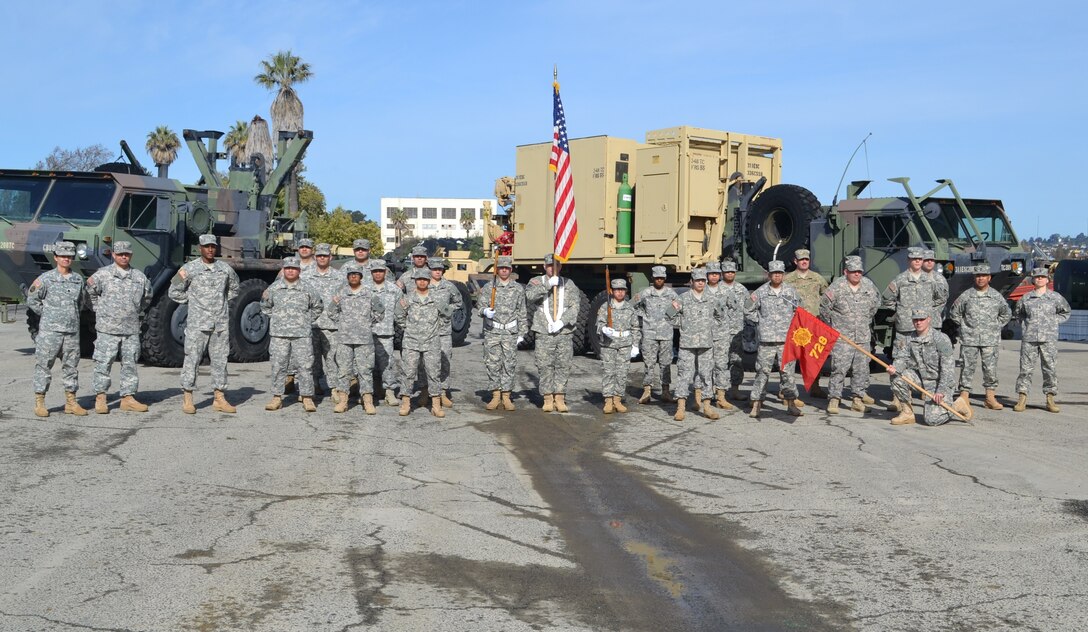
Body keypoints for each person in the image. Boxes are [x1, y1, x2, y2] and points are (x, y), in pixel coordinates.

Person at [169, 234, 240, 414]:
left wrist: (220, 303)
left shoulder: (225, 269)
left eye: (213, 246)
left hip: (219, 325)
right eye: (206, 246)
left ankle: (219, 397)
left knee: (220, 361)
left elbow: (234, 289)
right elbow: (174, 290)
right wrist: (192, 301)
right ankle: (188, 397)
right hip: (197, 324)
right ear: (200, 248)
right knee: (192, 360)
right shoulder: (189, 268)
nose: (210, 249)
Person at [86, 241, 152, 414]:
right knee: (103, 363)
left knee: (130, 364)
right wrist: (98, 309)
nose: (124, 256)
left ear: (131, 255)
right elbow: (89, 293)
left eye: (127, 254)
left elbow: (147, 298)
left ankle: (128, 398)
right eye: (120, 254)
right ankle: (101, 398)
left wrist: (134, 311)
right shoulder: (102, 275)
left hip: (130, 329)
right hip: (108, 328)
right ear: (113, 255)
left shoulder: (139, 277)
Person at [27, 241, 88, 417]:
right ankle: (40, 401)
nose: (66, 259)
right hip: (50, 332)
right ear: (56, 258)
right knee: (44, 366)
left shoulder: (78, 279)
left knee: (71, 367)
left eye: (69, 257)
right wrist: (47, 314)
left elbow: (81, 303)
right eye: (63, 256)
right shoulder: (45, 279)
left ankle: (71, 402)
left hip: (71, 332)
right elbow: (32, 300)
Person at [881, 246, 942, 412]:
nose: (917, 261)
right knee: (900, 361)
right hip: (905, 328)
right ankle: (898, 397)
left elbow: (940, 298)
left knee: (925, 360)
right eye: (914, 259)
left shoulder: (931, 281)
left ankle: (927, 393)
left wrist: (929, 313)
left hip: (924, 330)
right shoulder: (900, 280)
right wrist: (901, 312)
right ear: (908, 260)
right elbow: (886, 299)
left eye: (920, 259)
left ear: (922, 261)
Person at [819, 256, 880, 415]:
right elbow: (825, 308)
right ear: (846, 272)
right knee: (839, 368)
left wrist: (864, 320)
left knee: (861, 369)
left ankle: (857, 399)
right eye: (853, 272)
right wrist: (833, 327)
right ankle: (834, 399)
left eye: (859, 271)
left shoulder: (868, 285)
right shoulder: (837, 287)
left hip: (862, 336)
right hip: (842, 338)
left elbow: (875, 304)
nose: (857, 274)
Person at [261, 257, 323, 412]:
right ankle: (277, 397)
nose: (290, 271)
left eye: (293, 268)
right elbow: (265, 306)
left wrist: (305, 320)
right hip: (279, 335)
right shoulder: (274, 288)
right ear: (283, 270)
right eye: (287, 268)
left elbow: (318, 306)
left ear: (299, 271)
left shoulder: (308, 288)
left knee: (305, 366)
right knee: (278, 366)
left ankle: (307, 397)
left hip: (301, 334)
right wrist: (278, 319)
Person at [950, 266, 1012, 413]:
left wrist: (996, 326)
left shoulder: (996, 296)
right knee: (967, 368)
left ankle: (990, 398)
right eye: (978, 276)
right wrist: (965, 326)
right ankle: (964, 396)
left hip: (990, 340)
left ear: (989, 278)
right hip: (969, 339)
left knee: (990, 369)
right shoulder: (966, 295)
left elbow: (1006, 314)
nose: (980, 278)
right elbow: (954, 312)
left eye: (984, 276)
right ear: (974, 278)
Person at [745, 260, 803, 419]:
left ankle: (791, 404)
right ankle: (757, 404)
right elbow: (747, 309)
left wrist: (792, 325)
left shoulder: (791, 292)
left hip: (786, 341)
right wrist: (760, 322)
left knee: (788, 373)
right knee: (762, 372)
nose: (777, 275)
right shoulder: (760, 293)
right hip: (767, 341)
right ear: (769, 275)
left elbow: (799, 311)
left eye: (780, 273)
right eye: (774, 273)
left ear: (783, 275)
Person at [525, 254, 581, 413]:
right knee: (544, 365)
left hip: (564, 332)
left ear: (560, 267)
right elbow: (530, 296)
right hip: (544, 332)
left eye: (556, 265)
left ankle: (560, 397)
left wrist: (562, 322)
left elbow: (575, 306)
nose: (552, 268)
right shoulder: (536, 282)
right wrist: (548, 285)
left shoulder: (568, 284)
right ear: (544, 266)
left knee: (563, 365)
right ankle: (548, 397)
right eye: (549, 265)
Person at [1013, 267, 1071, 413]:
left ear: (1047, 280)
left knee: (1049, 369)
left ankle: (1050, 398)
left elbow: (1066, 312)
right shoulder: (1026, 298)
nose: (1039, 279)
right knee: (1025, 369)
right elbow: (1018, 314)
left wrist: (1053, 322)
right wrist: (1027, 326)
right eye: (1037, 277)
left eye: (1042, 277)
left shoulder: (1055, 297)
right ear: (1033, 280)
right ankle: (1022, 398)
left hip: (1048, 339)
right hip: (1030, 339)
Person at [327, 269, 385, 414]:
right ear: (347, 277)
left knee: (365, 371)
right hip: (345, 339)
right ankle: (343, 401)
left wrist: (366, 324)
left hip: (364, 339)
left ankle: (368, 401)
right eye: (351, 274)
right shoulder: (341, 294)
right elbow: (331, 312)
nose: (353, 276)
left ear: (360, 277)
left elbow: (380, 312)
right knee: (344, 371)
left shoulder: (369, 294)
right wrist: (343, 324)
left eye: (356, 274)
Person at [665, 268, 720, 421]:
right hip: (687, 344)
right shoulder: (683, 298)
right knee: (684, 374)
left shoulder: (712, 298)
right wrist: (681, 324)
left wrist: (710, 328)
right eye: (697, 280)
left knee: (706, 375)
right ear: (691, 282)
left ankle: (707, 407)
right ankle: (681, 408)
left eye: (703, 280)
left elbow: (720, 316)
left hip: (706, 344)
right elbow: (668, 315)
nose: (700, 283)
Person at [887, 309, 958, 426]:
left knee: (932, 420)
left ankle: (956, 405)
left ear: (929, 319)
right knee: (897, 377)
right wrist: (895, 368)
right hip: (923, 380)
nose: (918, 322)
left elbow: (948, 368)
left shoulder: (941, 339)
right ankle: (907, 413)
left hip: (940, 383)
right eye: (915, 320)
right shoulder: (909, 338)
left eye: (922, 319)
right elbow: (902, 358)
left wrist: (941, 391)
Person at [395, 268, 450, 418]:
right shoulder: (407, 298)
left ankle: (436, 405)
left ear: (429, 281)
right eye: (419, 279)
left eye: (425, 279)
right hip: (411, 342)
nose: (422, 281)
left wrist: (435, 329)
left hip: (431, 342)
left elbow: (446, 315)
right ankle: (406, 403)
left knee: (433, 373)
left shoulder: (437, 298)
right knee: (408, 372)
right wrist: (410, 329)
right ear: (415, 281)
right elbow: (399, 315)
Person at [476, 255, 527, 411]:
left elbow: (522, 311)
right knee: (492, 364)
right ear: (497, 270)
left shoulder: (518, 288)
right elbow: (479, 308)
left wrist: (522, 333)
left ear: (510, 270)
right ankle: (495, 395)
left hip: (510, 332)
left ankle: (506, 396)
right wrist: (485, 311)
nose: (504, 270)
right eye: (501, 268)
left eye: (506, 268)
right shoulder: (489, 288)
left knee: (509, 365)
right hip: (493, 331)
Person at [784, 248, 830, 399]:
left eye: (807, 259)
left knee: (814, 356)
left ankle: (815, 386)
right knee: (789, 358)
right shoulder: (787, 280)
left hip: (813, 324)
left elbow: (826, 296)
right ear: (795, 261)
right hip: (795, 325)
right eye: (801, 259)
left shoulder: (818, 278)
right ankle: (785, 389)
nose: (804, 262)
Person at [301, 243, 343, 398]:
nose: (322, 258)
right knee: (311, 358)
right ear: (315, 257)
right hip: (311, 324)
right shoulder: (305, 276)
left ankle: (334, 388)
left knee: (333, 358)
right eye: (319, 256)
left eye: (325, 256)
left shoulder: (339, 277)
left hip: (332, 325)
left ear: (330, 257)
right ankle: (314, 385)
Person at [633, 265, 677, 404]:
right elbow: (631, 306)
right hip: (649, 333)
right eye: (657, 278)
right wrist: (643, 317)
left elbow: (679, 308)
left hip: (666, 334)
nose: (659, 280)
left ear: (665, 278)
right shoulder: (645, 293)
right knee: (649, 363)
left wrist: (671, 318)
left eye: (661, 278)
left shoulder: (671, 294)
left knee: (666, 363)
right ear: (652, 278)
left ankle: (665, 391)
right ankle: (647, 391)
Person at [596, 278, 641, 414]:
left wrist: (635, 345)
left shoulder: (630, 308)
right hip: (609, 344)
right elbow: (599, 324)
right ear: (612, 291)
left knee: (622, 373)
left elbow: (635, 327)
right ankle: (608, 400)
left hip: (625, 344)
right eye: (617, 290)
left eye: (622, 290)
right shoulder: (606, 307)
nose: (620, 292)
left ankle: (617, 399)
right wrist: (604, 329)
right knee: (609, 372)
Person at [428, 257, 463, 407]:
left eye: (439, 269)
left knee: (445, 361)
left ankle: (443, 392)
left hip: (443, 330)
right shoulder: (423, 285)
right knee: (426, 364)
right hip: (426, 331)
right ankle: (427, 392)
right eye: (434, 269)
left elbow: (458, 302)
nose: (437, 271)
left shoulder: (449, 287)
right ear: (429, 270)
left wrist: (448, 310)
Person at [370, 260, 401, 405]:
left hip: (386, 333)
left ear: (385, 272)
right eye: (375, 271)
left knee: (387, 364)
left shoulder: (394, 290)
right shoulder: (364, 289)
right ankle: (373, 391)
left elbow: (402, 311)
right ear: (371, 273)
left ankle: (389, 392)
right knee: (367, 365)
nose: (378, 273)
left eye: (380, 271)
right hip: (367, 334)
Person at [720, 261, 749, 401]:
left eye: (732, 271)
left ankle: (735, 389)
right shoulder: (716, 289)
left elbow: (749, 308)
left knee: (736, 361)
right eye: (727, 272)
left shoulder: (741, 289)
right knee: (719, 362)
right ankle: (719, 391)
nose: (730, 274)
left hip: (737, 331)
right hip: (719, 332)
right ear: (722, 273)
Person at [922, 249, 949, 329]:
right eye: (926, 260)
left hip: (933, 322)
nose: (930, 262)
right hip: (915, 323)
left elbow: (942, 299)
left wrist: (923, 305)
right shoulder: (913, 277)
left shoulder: (940, 279)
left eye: (932, 260)